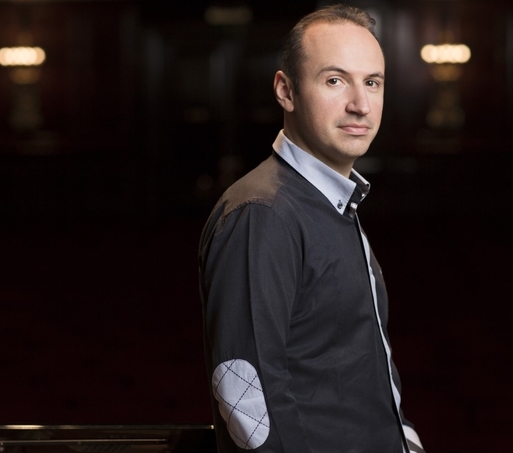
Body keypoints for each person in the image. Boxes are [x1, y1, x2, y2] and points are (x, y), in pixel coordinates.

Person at [198, 5, 425, 453]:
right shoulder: (263, 213)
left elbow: (361, 362)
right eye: (335, 80)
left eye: (372, 82)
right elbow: (246, 400)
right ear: (286, 91)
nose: (360, 104)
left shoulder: (334, 199)